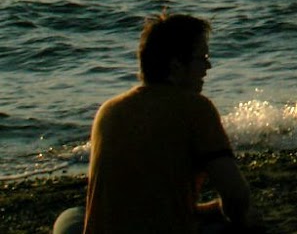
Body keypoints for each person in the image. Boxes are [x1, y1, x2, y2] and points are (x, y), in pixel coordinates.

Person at [55, 12, 259, 234]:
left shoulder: (109, 110)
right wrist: (241, 220)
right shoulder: (195, 108)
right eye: (202, 58)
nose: (207, 66)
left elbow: (137, 200)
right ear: (176, 66)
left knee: (70, 218)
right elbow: (236, 195)